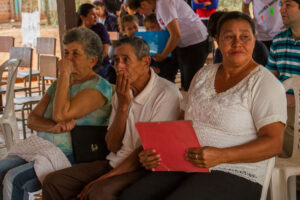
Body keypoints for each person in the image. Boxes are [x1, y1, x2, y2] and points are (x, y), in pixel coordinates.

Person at [121, 11, 287, 200]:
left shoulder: (264, 84)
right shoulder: (203, 75)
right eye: (229, 36)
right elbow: (181, 123)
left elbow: (274, 144)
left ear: (255, 39)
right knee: (132, 195)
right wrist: (157, 153)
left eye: (245, 37)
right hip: (186, 162)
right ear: (217, 39)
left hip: (236, 170)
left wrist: (222, 156)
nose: (237, 43)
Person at [42, 37, 182, 200]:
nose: (119, 66)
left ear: (145, 62)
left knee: (99, 192)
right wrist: (123, 106)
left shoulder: (166, 93)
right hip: (115, 162)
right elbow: (113, 145)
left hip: (143, 168)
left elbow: (144, 153)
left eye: (125, 60)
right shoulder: (123, 91)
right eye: (116, 60)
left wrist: (101, 180)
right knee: (53, 181)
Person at [0, 27, 113, 200]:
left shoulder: (98, 87)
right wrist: (53, 128)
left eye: (75, 54)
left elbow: (60, 115)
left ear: (92, 60)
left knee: (14, 179)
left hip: (72, 153)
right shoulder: (59, 85)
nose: (68, 59)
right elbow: (32, 119)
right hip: (42, 147)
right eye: (66, 52)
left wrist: (64, 75)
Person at [127, 0, 209, 91]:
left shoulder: (163, 4)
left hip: (195, 44)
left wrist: (163, 55)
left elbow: (175, 34)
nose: (141, 13)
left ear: (143, 4)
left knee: (190, 86)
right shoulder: (158, 7)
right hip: (184, 45)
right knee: (185, 83)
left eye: (138, 11)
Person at [266, 0, 300, 158]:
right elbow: (270, 77)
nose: (281, 10)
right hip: (282, 104)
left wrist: (295, 99)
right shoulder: (278, 40)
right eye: (281, 5)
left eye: (288, 5)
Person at [78, 3, 116, 84]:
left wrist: (93, 65)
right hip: (85, 66)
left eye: (96, 14)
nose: (96, 17)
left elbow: (105, 51)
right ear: (82, 17)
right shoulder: (78, 32)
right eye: (92, 14)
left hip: (100, 65)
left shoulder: (100, 28)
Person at [143, 13, 179, 83]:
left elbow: (174, 65)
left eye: (153, 27)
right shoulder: (146, 43)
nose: (150, 31)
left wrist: (160, 70)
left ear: (161, 26)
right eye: (147, 28)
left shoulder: (169, 42)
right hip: (150, 78)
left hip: (166, 78)